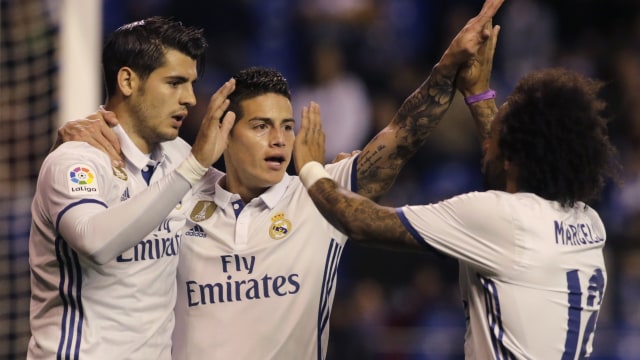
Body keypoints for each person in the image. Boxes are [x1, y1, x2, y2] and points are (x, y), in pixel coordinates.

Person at [57, 1, 504, 358]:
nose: (280, 140)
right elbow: (139, 132)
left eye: (287, 127)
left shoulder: (320, 198)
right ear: (224, 131)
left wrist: (447, 68)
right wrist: (97, 125)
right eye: (261, 126)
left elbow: (402, 135)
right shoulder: (177, 190)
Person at [292, 16, 621, 360]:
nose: (487, 138)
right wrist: (479, 94)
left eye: (498, 129)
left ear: (513, 155)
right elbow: (513, 167)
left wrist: (312, 167)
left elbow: (356, 220)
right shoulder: (588, 223)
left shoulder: (499, 219)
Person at [28, 17, 237, 360]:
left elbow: (239, 197)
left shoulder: (179, 156)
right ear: (127, 80)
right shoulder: (77, 160)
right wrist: (193, 167)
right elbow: (95, 242)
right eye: (174, 83)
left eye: (191, 84)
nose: (189, 98)